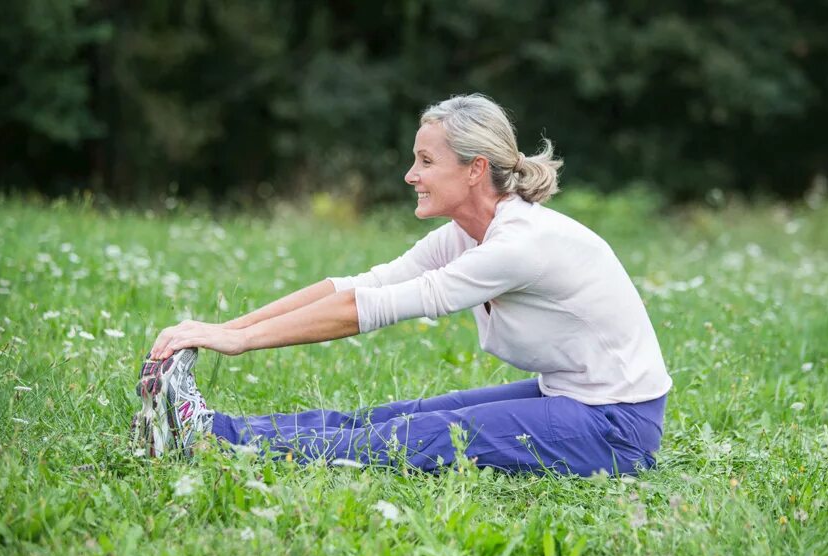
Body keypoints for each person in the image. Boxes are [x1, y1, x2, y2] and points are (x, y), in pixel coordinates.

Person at [132, 93, 672, 476]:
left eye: (425, 161)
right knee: (400, 418)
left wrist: (240, 342)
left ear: (474, 170)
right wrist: (222, 329)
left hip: (615, 427)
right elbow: (361, 283)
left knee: (418, 438)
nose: (411, 175)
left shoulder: (517, 243)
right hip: (574, 397)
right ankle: (211, 429)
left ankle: (212, 439)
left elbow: (373, 308)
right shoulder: (467, 233)